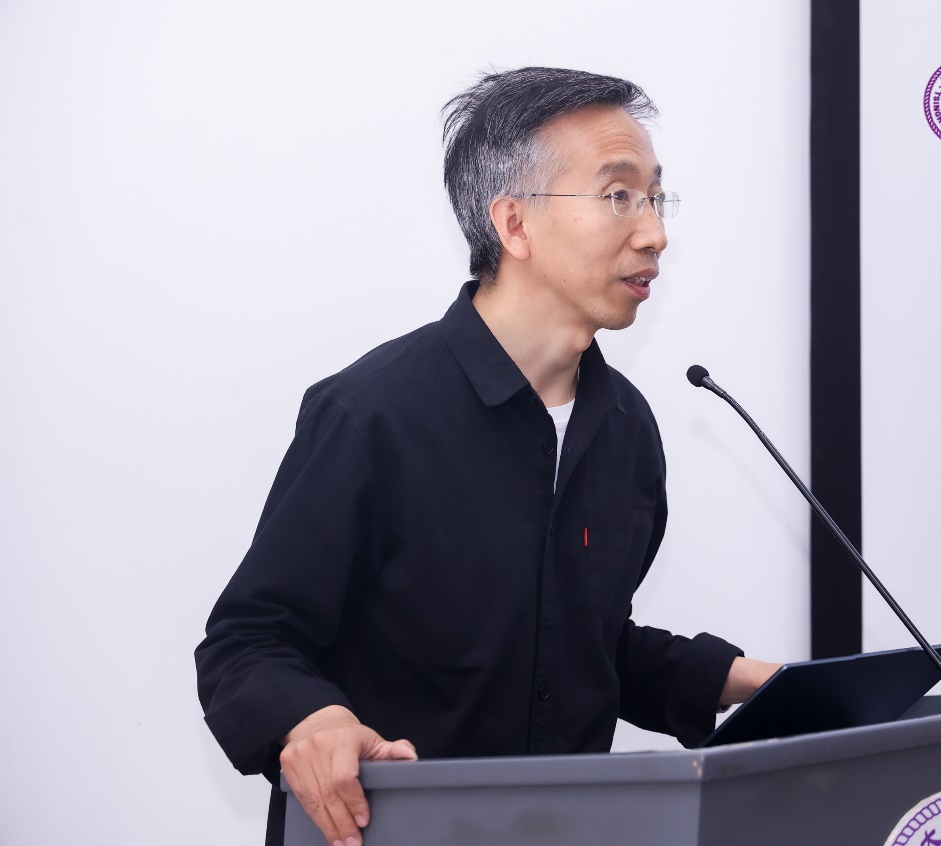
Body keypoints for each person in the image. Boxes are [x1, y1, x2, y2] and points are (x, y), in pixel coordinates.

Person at [195, 67, 781, 846]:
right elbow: (248, 640)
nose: (654, 233)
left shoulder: (625, 428)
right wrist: (313, 718)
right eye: (618, 196)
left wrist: (755, 683)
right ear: (514, 224)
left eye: (656, 197)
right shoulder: (373, 414)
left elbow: (579, 644)